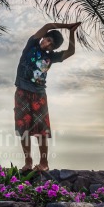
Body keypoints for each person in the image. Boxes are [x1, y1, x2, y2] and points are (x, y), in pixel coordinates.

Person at [14, 22, 81, 172]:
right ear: (43, 38)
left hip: (39, 94)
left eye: (51, 43)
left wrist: (72, 33)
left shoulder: (51, 57)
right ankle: (28, 161)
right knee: (23, 127)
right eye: (47, 39)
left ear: (53, 48)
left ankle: (44, 163)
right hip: (22, 92)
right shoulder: (31, 46)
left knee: (41, 129)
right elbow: (48, 25)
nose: (47, 43)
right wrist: (67, 26)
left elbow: (71, 52)